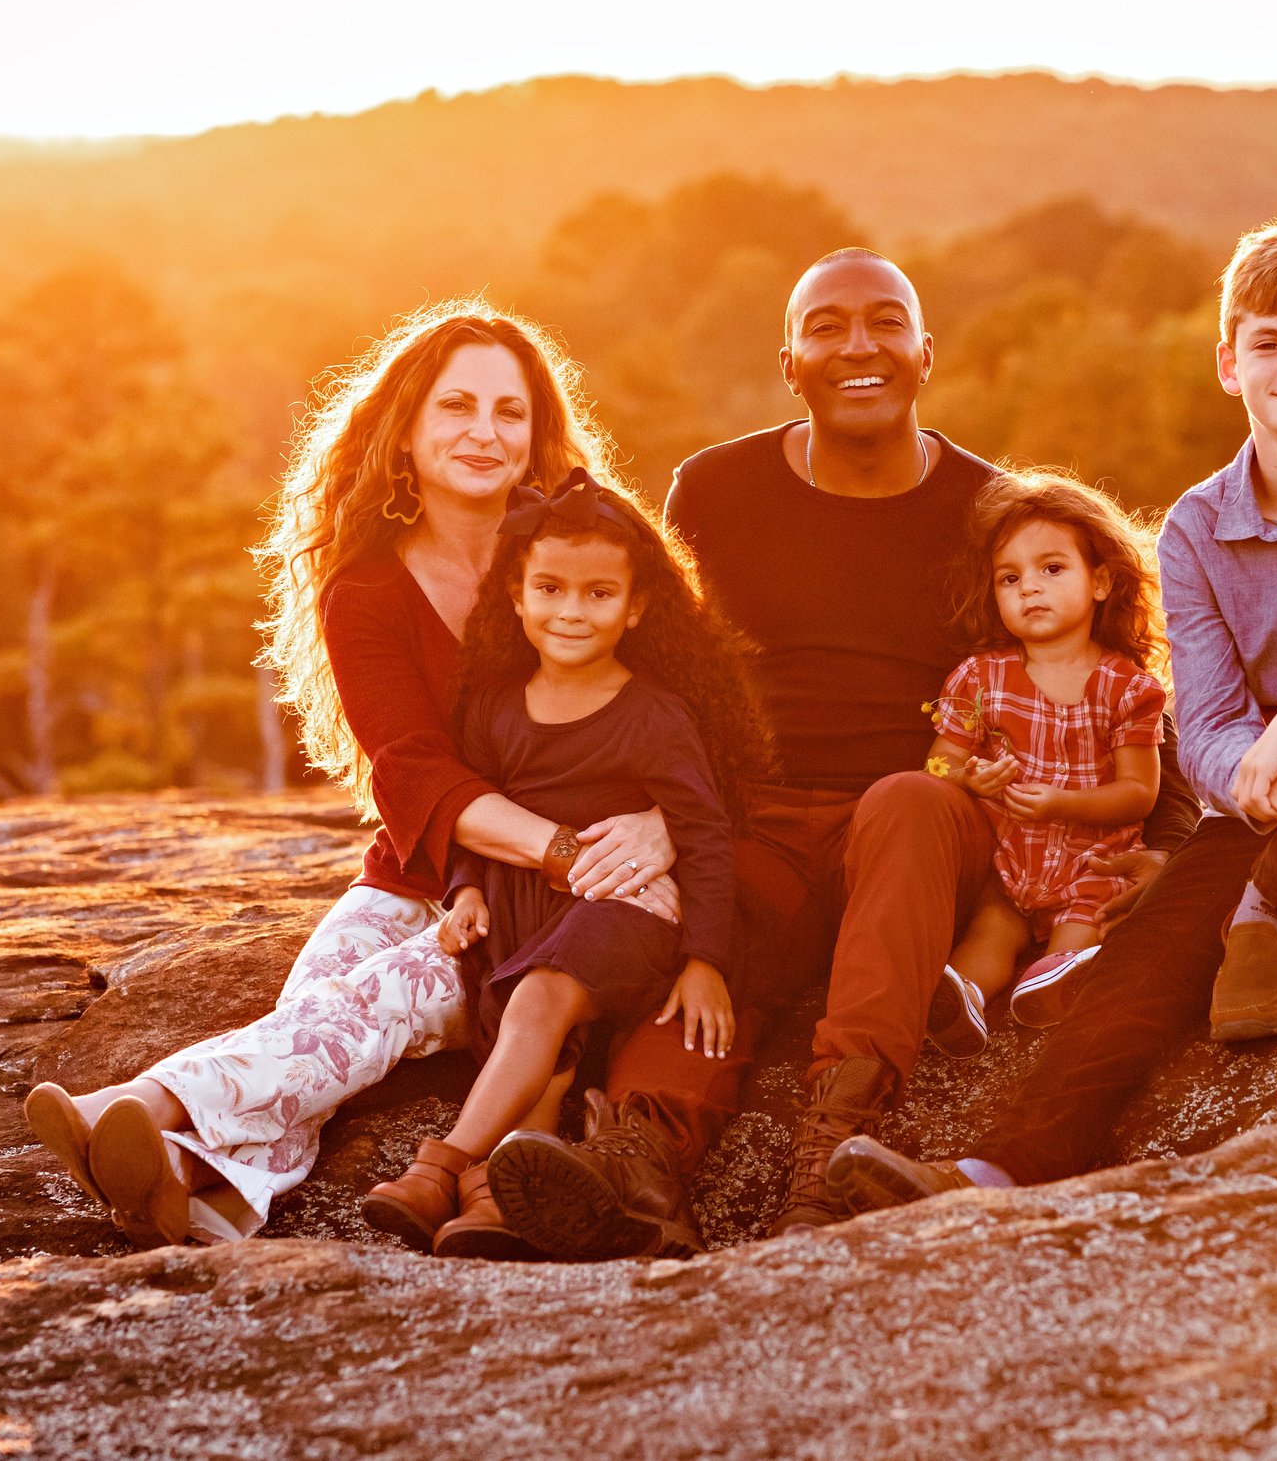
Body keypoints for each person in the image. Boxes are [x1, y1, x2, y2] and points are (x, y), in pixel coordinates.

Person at [481, 247, 1200, 1254]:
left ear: (924, 353)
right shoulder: (716, 489)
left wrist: (1164, 836)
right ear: (789, 362)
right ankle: (641, 1162)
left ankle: (832, 1154)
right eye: (825, 326)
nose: (857, 345)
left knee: (907, 800)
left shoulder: (986, 505)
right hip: (756, 809)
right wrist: (648, 814)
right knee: (711, 915)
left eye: (883, 322)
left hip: (922, 824)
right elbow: (653, 668)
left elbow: (1107, 668)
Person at [827, 217, 1277, 1212]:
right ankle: (995, 1168)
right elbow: (1203, 737)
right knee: (1150, 951)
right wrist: (1260, 766)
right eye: (1269, 343)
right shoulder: (1195, 526)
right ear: (1228, 363)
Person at [20, 301, 680, 1246]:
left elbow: (684, 714)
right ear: (406, 430)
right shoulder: (366, 588)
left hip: (548, 907)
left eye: (509, 411)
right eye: (456, 407)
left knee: (372, 1007)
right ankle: (195, 1183)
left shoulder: (579, 562)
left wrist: (627, 840)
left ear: (538, 434)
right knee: (318, 1007)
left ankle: (143, 1102)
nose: (483, 432)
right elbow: (410, 772)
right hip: (423, 869)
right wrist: (554, 845)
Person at [359, 469, 767, 1259]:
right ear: (516, 593)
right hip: (522, 907)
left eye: (597, 594)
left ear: (637, 606)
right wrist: (467, 889)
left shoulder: (655, 715)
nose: (570, 611)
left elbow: (705, 836)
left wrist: (706, 961)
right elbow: (475, 815)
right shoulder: (494, 704)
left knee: (540, 1005)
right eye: (549, 588)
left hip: (626, 910)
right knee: (533, 1048)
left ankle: (439, 1164)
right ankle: (498, 1198)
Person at [921, 471, 1167, 1054]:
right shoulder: (980, 679)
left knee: (1082, 927)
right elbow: (934, 766)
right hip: (1010, 861)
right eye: (1011, 578)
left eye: (1052, 569)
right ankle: (960, 1000)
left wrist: (1064, 802)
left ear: (1101, 580)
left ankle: (1054, 981)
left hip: (1094, 860)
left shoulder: (1128, 688)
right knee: (992, 928)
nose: (1030, 588)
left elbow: (1139, 793)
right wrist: (967, 777)